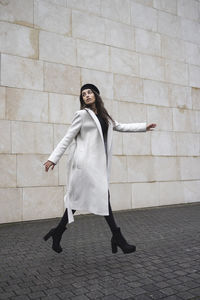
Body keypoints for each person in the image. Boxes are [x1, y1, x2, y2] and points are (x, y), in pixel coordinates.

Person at [43, 83, 156, 254]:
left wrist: (143, 127)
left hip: (97, 166)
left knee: (76, 201)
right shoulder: (81, 115)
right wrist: (53, 158)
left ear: (96, 95)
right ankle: (118, 238)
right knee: (102, 197)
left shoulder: (105, 117)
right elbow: (68, 137)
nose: (86, 96)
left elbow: (121, 126)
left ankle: (57, 232)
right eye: (83, 94)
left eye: (89, 93)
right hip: (84, 164)